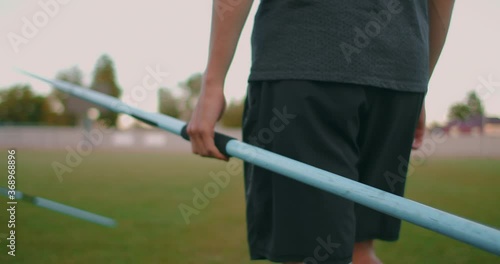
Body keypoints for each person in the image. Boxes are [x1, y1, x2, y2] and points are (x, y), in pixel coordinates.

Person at [186, 0, 455, 263]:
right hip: (400, 76)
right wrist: (420, 83)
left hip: (305, 61)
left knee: (313, 255)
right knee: (359, 252)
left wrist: (212, 83)